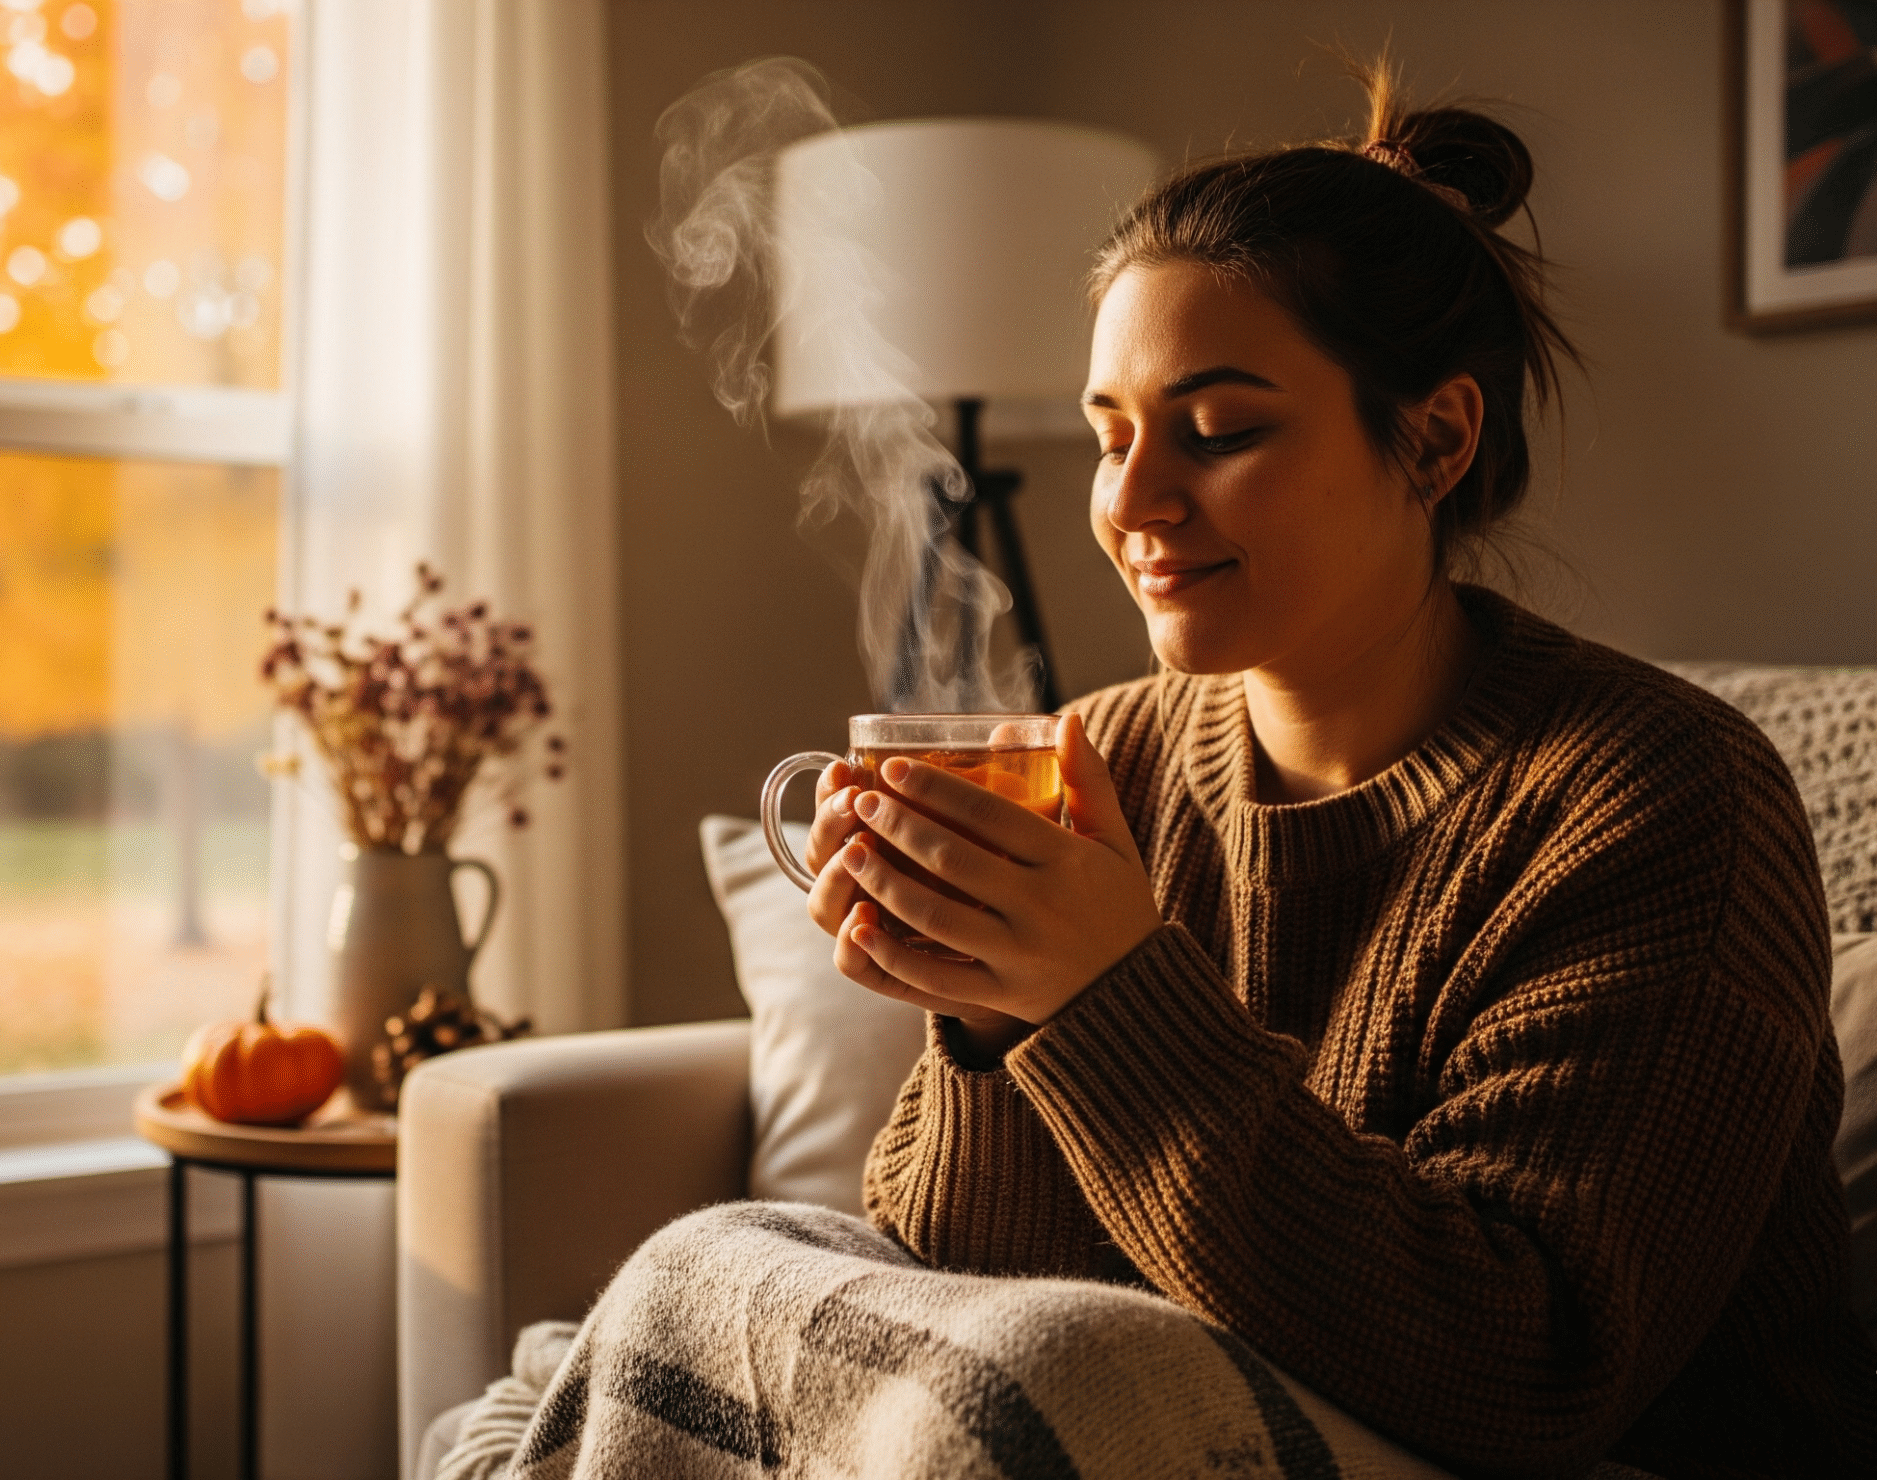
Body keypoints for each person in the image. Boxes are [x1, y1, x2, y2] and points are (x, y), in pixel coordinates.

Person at [789, 64, 1877, 1478]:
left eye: (1220, 430)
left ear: (1433, 439)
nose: (1131, 504)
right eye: (1111, 434)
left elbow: (1524, 1370)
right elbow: (966, 1286)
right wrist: (996, 1022)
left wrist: (1107, 999)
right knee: (726, 1256)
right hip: (1170, 1430)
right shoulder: (1106, 754)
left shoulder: (1660, 798)